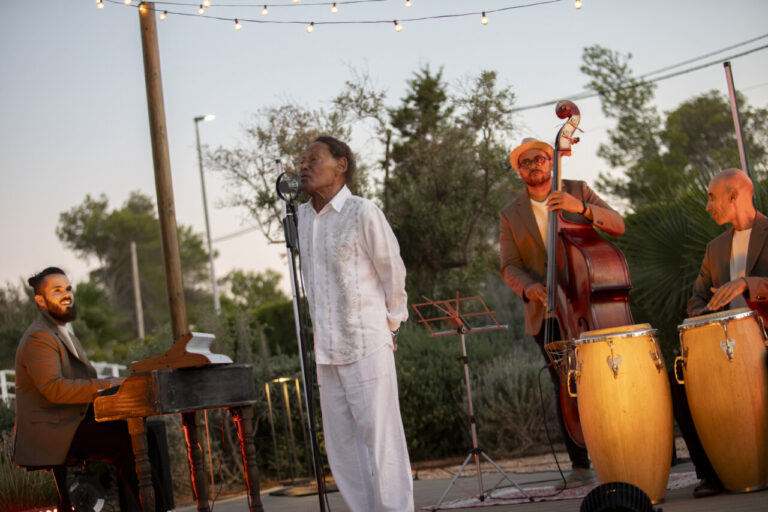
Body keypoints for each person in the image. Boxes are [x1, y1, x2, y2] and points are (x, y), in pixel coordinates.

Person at [499, 137, 625, 488]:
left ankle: (622, 453)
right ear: (520, 172)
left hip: (588, 305)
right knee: (566, 387)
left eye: (538, 159)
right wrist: (528, 287)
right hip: (549, 313)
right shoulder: (510, 214)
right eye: (525, 163)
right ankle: (580, 467)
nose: (533, 166)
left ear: (551, 161)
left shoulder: (577, 190)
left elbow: (617, 224)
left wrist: (581, 208)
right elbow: (509, 265)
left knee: (608, 378)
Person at [297, 135, 413, 511]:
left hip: (367, 342)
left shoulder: (362, 211)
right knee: (343, 447)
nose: (304, 166)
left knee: (382, 441)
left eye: (314, 159)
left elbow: (392, 272)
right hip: (326, 350)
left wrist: (391, 325)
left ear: (341, 165)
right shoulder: (300, 218)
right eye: (302, 161)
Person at [13, 266, 144, 510]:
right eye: (56, 290)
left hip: (70, 419)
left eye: (68, 288)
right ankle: (151, 506)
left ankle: (153, 505)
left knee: (144, 433)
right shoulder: (38, 337)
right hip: (51, 429)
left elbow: (83, 380)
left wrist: (114, 384)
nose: (66, 294)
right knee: (127, 441)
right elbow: (54, 389)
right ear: (40, 301)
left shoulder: (64, 333)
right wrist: (107, 384)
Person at [677, 168, 768, 498]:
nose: (708, 206)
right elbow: (696, 299)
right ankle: (711, 473)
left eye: (712, 197)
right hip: (724, 347)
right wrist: (706, 314)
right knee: (679, 383)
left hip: (765, 342)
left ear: (734, 195)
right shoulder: (714, 248)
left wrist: (747, 283)